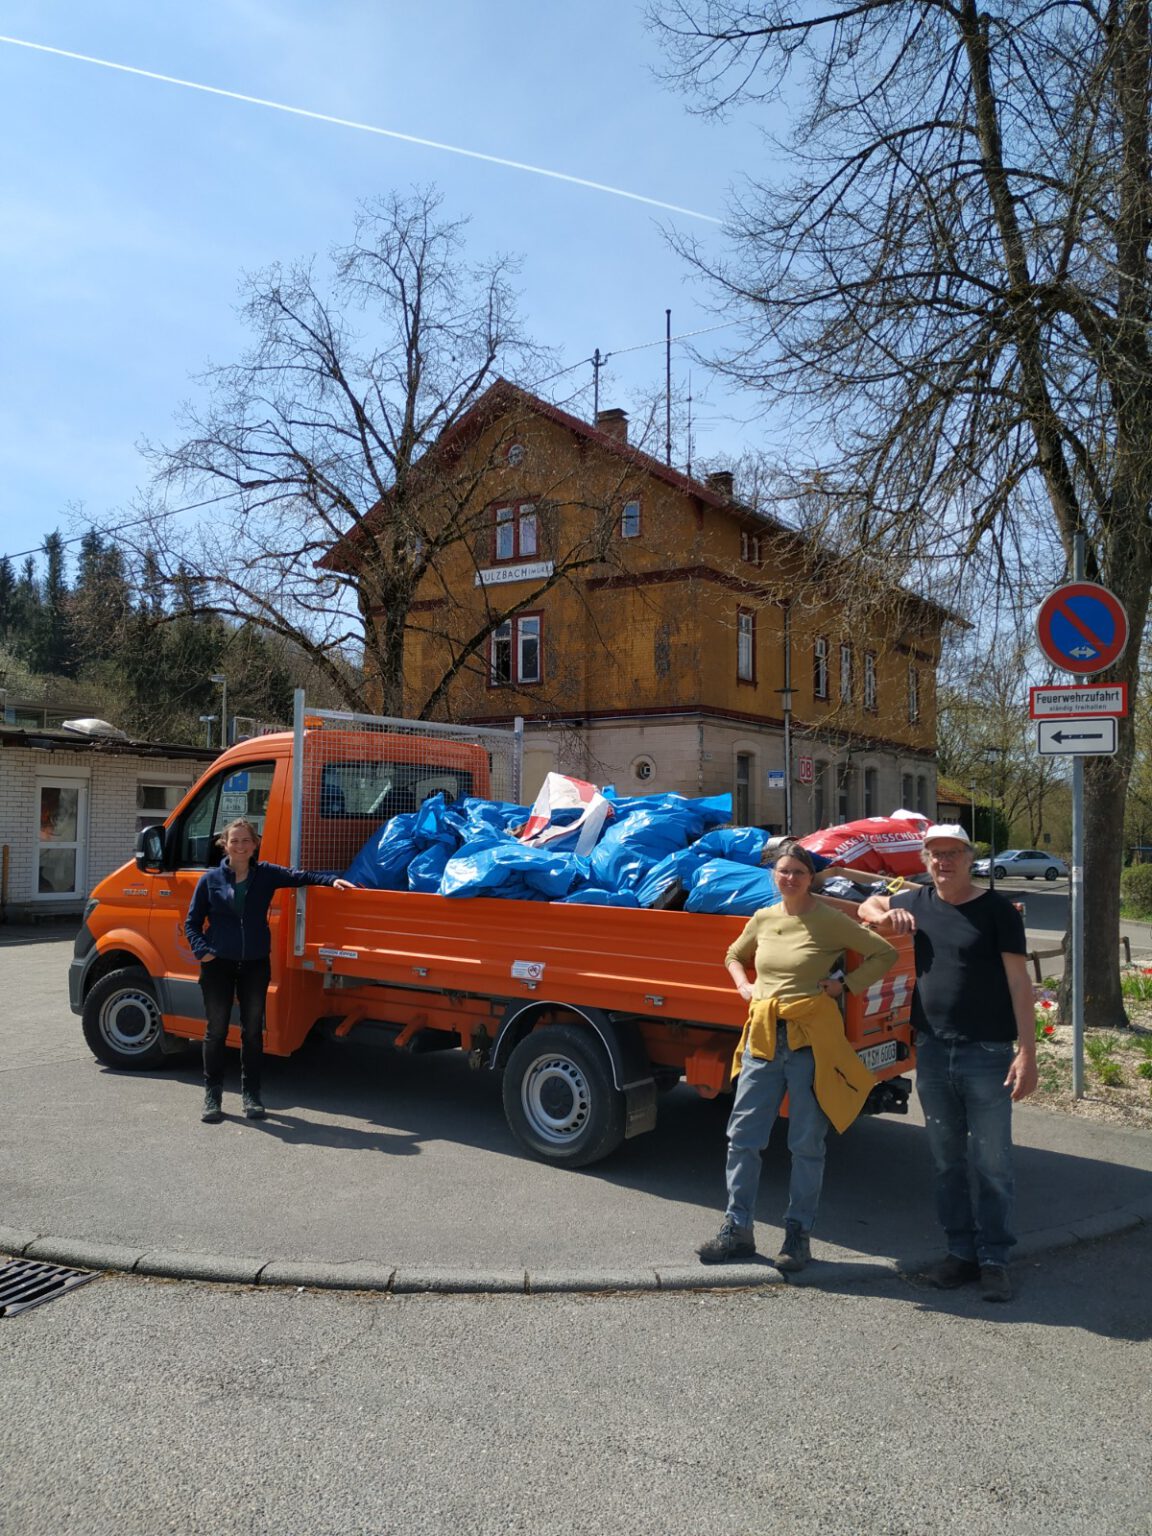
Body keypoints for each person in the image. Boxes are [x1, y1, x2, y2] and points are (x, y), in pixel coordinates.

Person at [857, 824, 1037, 1302]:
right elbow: (864, 906)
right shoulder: (916, 903)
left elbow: (1021, 984)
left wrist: (1028, 1053)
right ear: (925, 859)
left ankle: (995, 1259)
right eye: (935, 854)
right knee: (946, 1162)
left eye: (953, 853)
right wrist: (885, 911)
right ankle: (961, 1254)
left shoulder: (997, 911)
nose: (944, 862)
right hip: (934, 1050)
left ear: (969, 857)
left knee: (993, 1162)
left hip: (990, 1053)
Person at [698, 841, 898, 1271]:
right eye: (784, 871)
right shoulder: (764, 918)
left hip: (809, 1044)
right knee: (743, 1139)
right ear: (775, 874)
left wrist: (844, 984)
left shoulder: (829, 920)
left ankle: (798, 1235)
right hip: (763, 1039)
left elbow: (885, 953)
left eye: (799, 873)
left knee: (806, 1144)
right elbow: (734, 954)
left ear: (811, 878)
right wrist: (743, 986)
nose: (790, 879)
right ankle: (738, 1230)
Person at [184, 818, 357, 1124]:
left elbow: (299, 875)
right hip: (218, 966)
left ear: (255, 844)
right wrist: (204, 952)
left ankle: (252, 1095)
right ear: (224, 844)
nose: (240, 846)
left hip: (254, 964)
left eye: (246, 841)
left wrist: (332, 880)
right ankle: (213, 1095)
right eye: (234, 841)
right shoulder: (209, 880)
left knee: (252, 1032)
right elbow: (192, 923)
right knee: (216, 1031)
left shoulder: (265, 875)